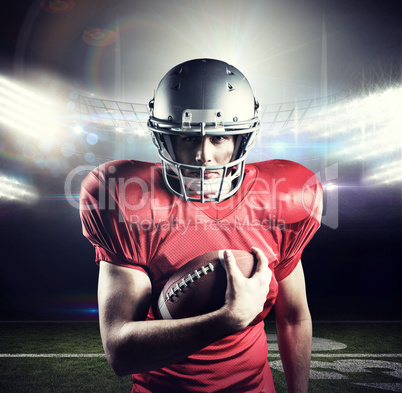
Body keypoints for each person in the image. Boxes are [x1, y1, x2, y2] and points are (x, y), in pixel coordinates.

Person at [79, 58, 323, 393]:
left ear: (242, 139)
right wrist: (227, 319)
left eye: (219, 138)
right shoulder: (128, 200)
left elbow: (294, 317)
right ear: (164, 139)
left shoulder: (283, 197)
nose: (203, 155)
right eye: (188, 138)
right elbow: (121, 351)